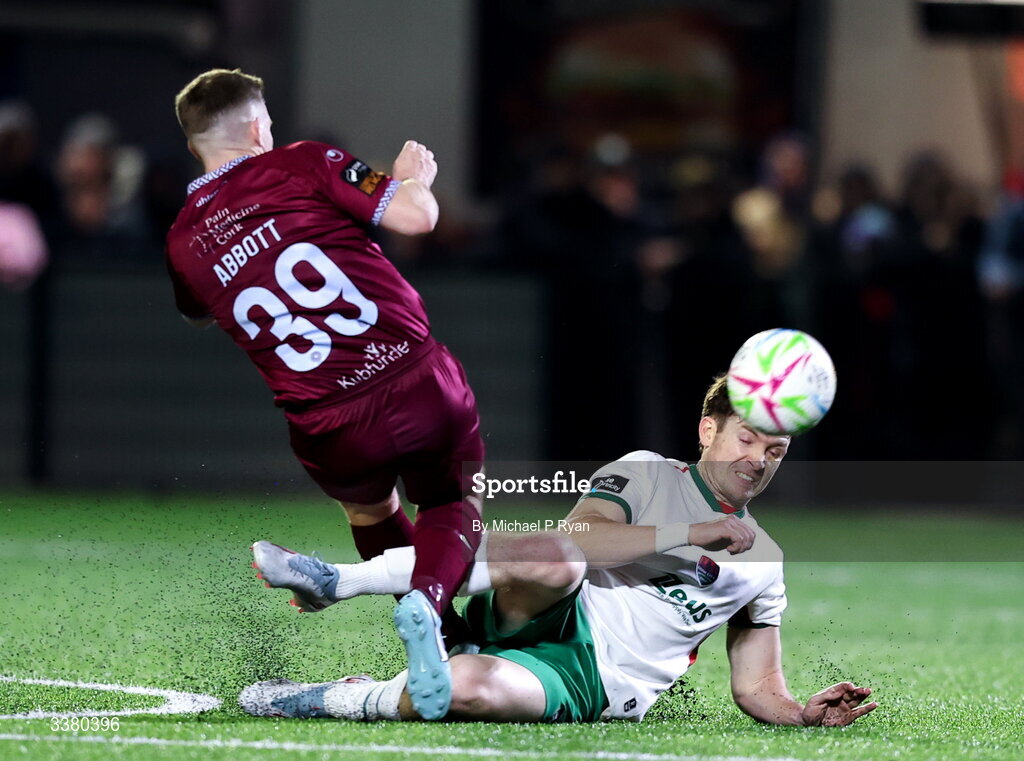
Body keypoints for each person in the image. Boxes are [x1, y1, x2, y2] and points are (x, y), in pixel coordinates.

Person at [240, 375, 877, 726]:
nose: (757, 460)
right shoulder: (649, 473)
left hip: (594, 679)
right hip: (541, 605)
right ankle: (335, 580)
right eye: (747, 439)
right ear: (709, 429)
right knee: (558, 553)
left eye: (775, 452)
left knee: (464, 692)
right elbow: (582, 537)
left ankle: (338, 696)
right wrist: (687, 532)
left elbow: (757, 683)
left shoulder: (764, 561)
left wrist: (802, 714)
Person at [164, 69, 484, 720]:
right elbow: (417, 218)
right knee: (450, 500)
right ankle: (428, 606)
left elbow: (197, 310)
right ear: (257, 128)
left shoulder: (181, 240)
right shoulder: (302, 162)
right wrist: (411, 176)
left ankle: (446, 640)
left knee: (371, 511)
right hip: (410, 375)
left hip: (324, 419)